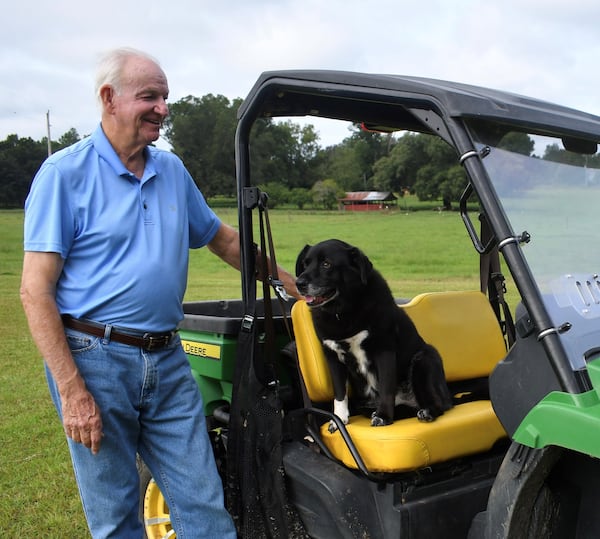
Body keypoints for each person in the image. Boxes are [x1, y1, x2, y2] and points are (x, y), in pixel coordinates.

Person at [20, 47, 299, 538]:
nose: (163, 109)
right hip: (94, 358)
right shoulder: (64, 175)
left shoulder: (171, 170)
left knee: (206, 508)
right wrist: (72, 392)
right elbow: (34, 292)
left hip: (167, 358)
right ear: (109, 98)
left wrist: (285, 281)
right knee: (116, 516)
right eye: (149, 96)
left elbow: (223, 239)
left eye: (166, 97)